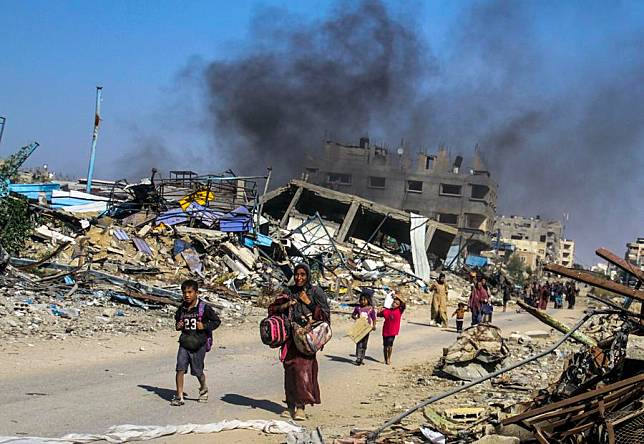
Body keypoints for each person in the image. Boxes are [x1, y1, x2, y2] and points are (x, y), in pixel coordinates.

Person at [268, 263, 330, 421]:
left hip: (306, 340)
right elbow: (272, 309)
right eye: (297, 274)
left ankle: (301, 407)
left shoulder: (316, 292)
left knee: (303, 371)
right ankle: (290, 405)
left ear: (308, 276)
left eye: (302, 274)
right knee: (290, 371)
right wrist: (286, 305)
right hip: (290, 338)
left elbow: (325, 316)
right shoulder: (289, 291)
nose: (299, 277)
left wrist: (308, 302)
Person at [172, 279, 221, 406]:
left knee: (197, 371)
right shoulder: (182, 308)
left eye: (190, 292)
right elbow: (177, 321)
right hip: (184, 343)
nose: (187, 295)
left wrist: (204, 326)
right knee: (180, 369)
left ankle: (203, 388)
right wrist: (178, 325)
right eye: (184, 292)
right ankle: (179, 396)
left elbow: (216, 322)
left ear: (196, 293)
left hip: (199, 344)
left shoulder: (204, 308)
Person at [378, 293, 406, 365]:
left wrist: (397, 296)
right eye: (394, 302)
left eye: (397, 303)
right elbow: (379, 315)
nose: (394, 304)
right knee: (385, 345)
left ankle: (388, 358)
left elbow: (404, 303)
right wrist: (379, 310)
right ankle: (385, 359)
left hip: (393, 331)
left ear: (399, 305)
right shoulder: (387, 310)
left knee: (390, 345)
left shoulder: (399, 311)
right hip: (386, 330)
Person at [351, 288, 377, 366]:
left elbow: (374, 318)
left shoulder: (370, 309)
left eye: (364, 300)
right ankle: (358, 358)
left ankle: (362, 358)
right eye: (361, 300)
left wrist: (374, 326)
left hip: (367, 328)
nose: (362, 301)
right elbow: (353, 315)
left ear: (368, 300)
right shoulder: (358, 308)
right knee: (359, 343)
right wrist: (356, 318)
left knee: (364, 344)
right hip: (359, 327)